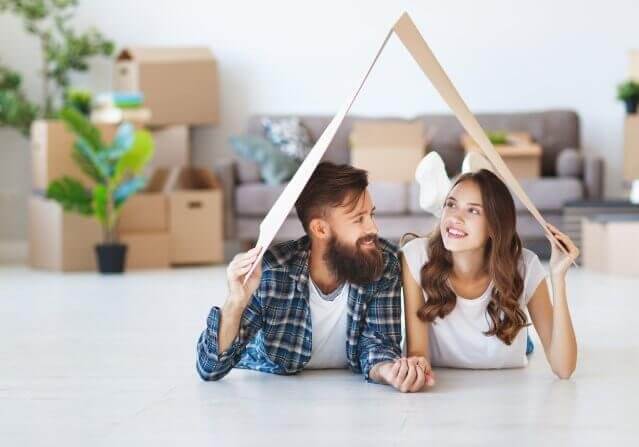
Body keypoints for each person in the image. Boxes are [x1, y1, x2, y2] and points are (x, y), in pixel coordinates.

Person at [197, 162, 434, 392]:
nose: (373, 228)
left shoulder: (383, 262)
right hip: (277, 393)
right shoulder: (273, 272)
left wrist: (387, 371)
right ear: (320, 229)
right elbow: (209, 369)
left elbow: (378, 344)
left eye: (371, 215)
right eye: (359, 219)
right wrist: (235, 302)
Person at [402, 169, 579, 380]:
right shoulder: (416, 256)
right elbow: (418, 355)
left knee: (523, 337)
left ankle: (474, 171)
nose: (455, 217)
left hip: (511, 333)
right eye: (451, 204)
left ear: (494, 227)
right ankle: (471, 171)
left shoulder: (525, 266)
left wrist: (558, 278)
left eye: (473, 211)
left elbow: (564, 368)